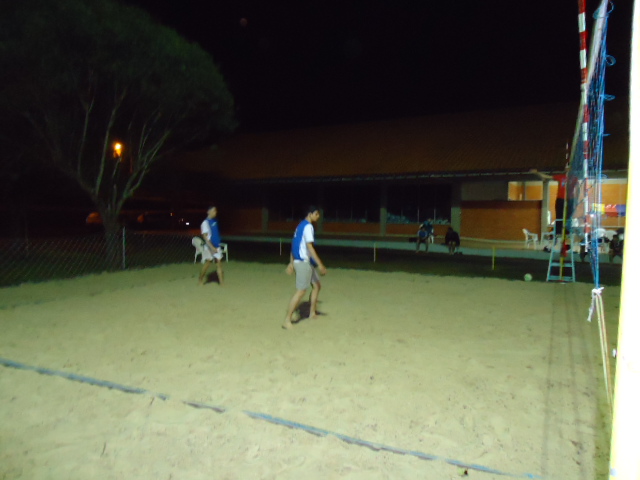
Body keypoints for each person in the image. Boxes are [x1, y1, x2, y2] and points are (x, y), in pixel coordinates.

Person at [283, 205, 327, 330]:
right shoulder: (308, 227)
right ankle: (287, 320)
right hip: (303, 262)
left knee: (317, 285)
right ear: (310, 214)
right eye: (316, 214)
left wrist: (291, 262)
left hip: (304, 262)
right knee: (301, 291)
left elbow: (294, 244)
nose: (318, 216)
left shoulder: (300, 226)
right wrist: (320, 264)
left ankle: (312, 313)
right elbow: (310, 248)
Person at [530, 165, 573, 235]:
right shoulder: (561, 177)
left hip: (569, 199)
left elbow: (577, 188)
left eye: (568, 168)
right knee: (559, 216)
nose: (567, 169)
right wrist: (537, 173)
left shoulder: (574, 178)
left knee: (568, 216)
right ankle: (558, 231)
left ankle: (567, 231)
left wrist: (574, 198)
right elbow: (547, 176)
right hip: (560, 199)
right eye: (566, 168)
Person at [199, 206, 224, 285]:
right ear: (208, 212)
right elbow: (205, 237)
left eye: (215, 211)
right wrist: (212, 247)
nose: (215, 212)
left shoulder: (215, 221)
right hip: (209, 246)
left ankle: (222, 283)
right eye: (213, 211)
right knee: (208, 263)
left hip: (217, 246)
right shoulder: (205, 223)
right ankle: (200, 279)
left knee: (219, 264)